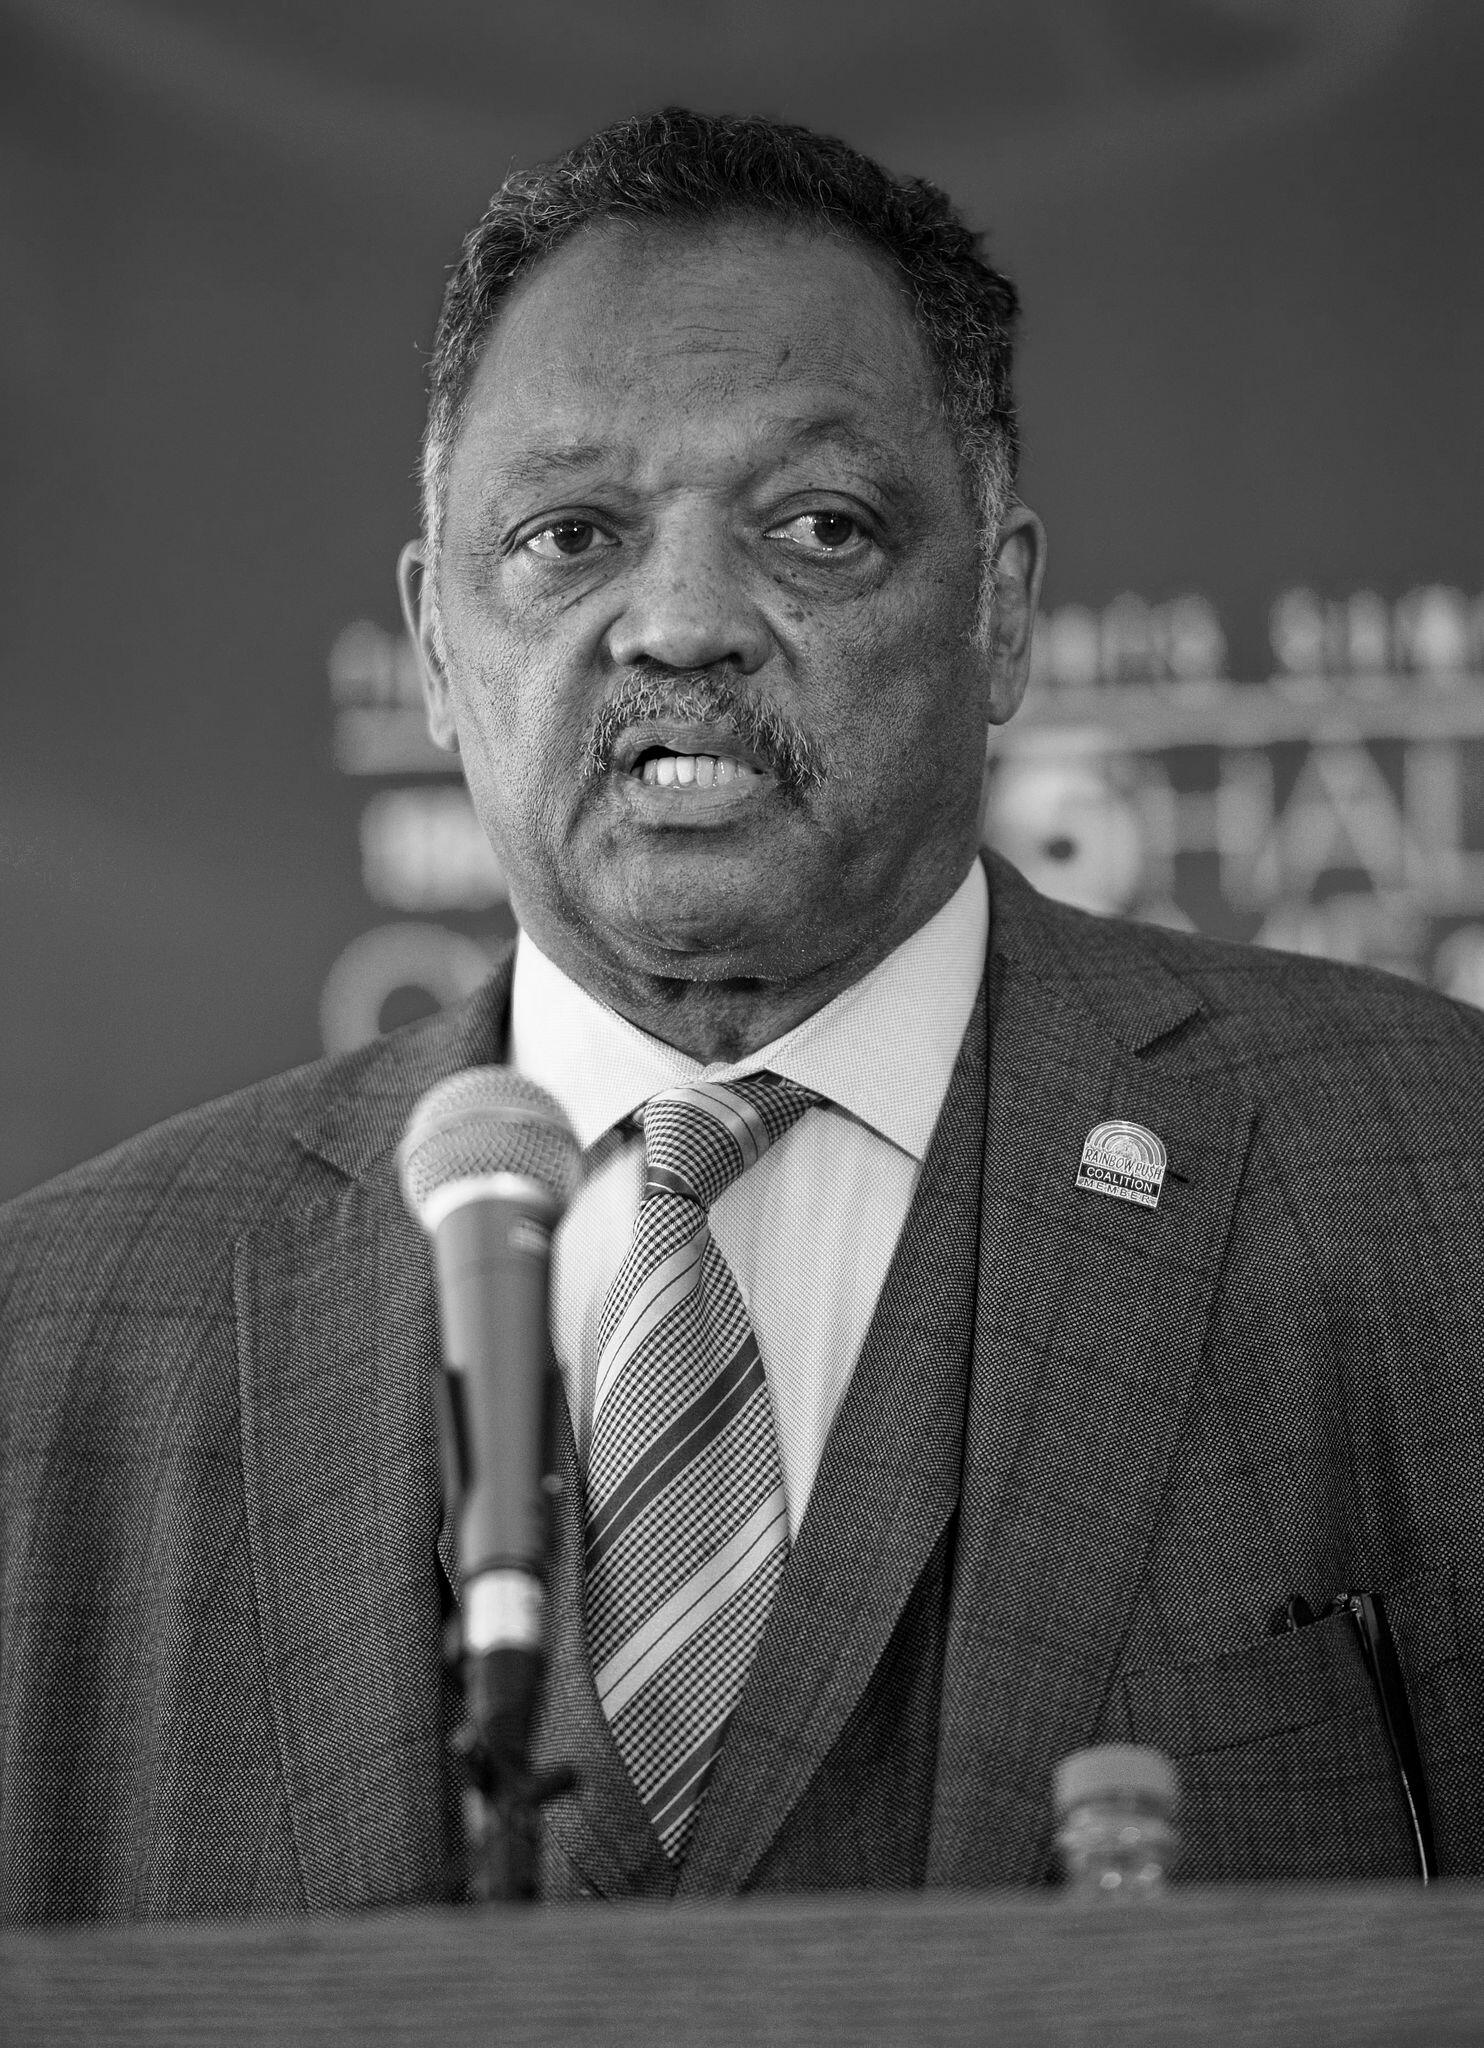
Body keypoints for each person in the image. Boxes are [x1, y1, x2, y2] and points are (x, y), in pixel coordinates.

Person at [3, 107, 1483, 1927]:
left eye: (819, 528)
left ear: (1002, 612)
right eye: (569, 534)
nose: (683, 622)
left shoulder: (1435, 1179)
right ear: (439, 646)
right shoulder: (52, 1354)